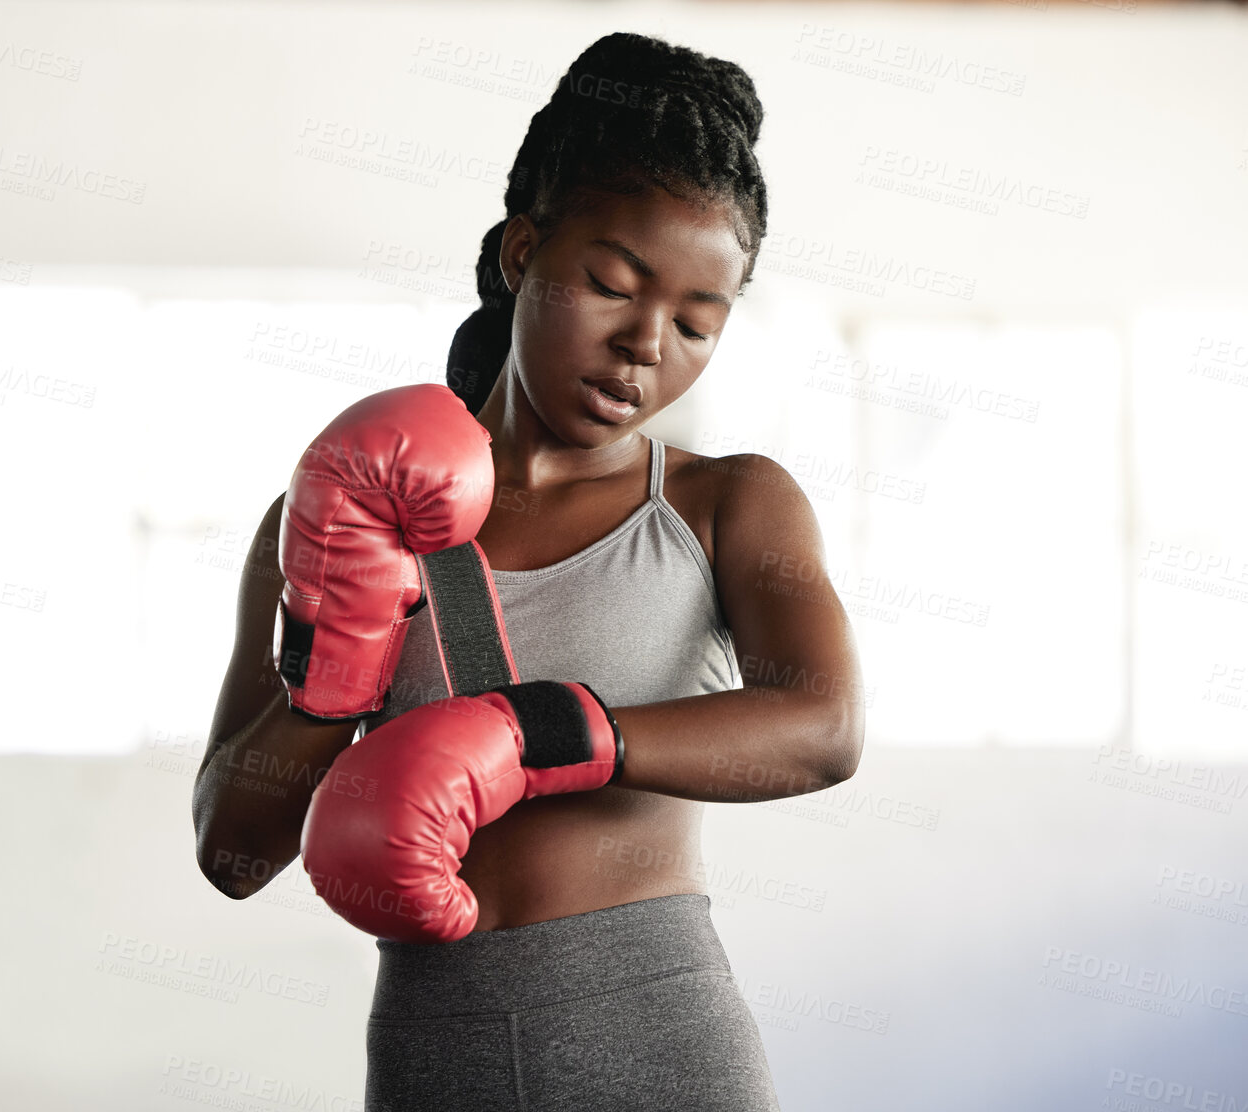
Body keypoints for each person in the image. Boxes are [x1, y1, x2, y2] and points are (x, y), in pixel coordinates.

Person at [192, 31, 863, 1111]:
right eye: (611, 285)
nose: (649, 345)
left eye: (698, 321)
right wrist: (334, 665)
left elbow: (824, 726)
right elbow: (231, 850)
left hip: (655, 1036)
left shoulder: (723, 501)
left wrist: (541, 731)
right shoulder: (342, 515)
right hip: (430, 1046)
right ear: (521, 256)